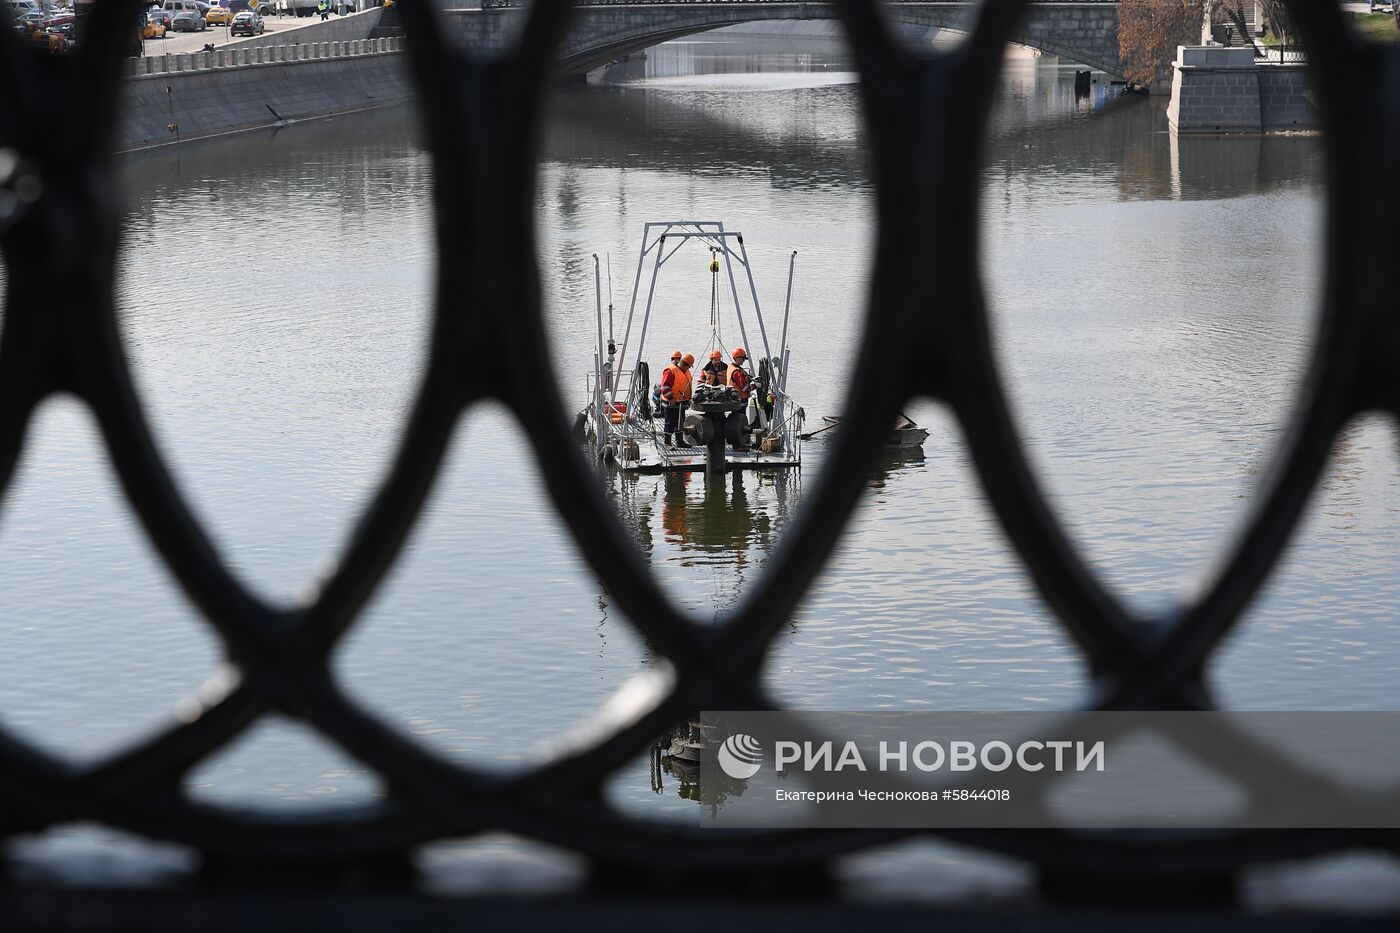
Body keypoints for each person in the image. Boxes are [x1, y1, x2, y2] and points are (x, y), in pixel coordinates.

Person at [658, 351, 693, 447]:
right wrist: (671, 398)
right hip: (671, 403)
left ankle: (679, 441)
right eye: (688, 366)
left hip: (681, 402)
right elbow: (664, 387)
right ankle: (667, 443)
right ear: (684, 364)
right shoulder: (670, 371)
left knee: (680, 422)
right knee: (669, 422)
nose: (689, 368)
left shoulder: (686, 371)